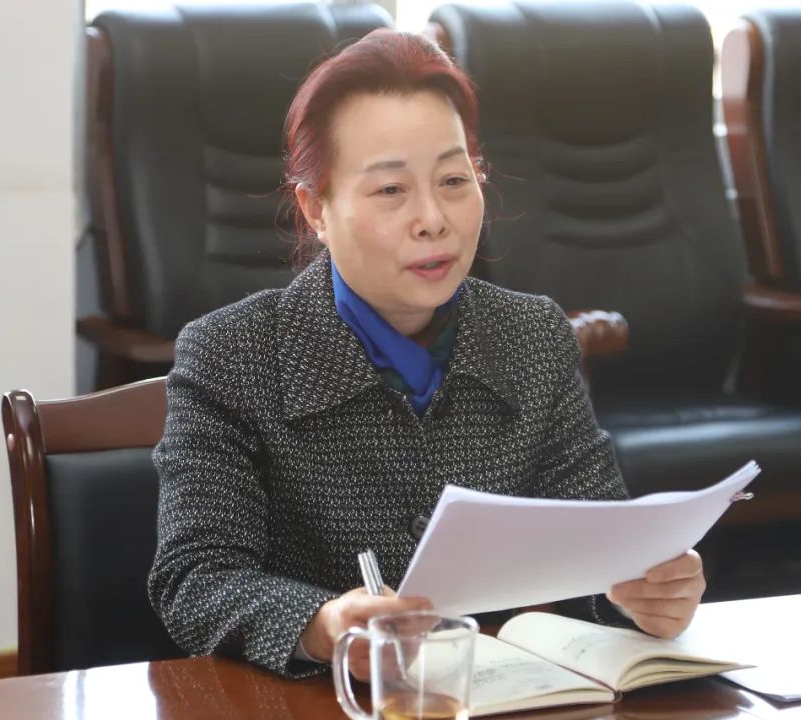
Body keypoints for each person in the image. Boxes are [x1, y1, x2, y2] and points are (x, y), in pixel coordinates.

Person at [149, 29, 705, 681]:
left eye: (453, 180)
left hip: (504, 694)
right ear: (316, 208)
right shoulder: (230, 353)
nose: (433, 219)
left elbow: (598, 544)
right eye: (391, 190)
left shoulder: (534, 335)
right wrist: (321, 626)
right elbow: (196, 579)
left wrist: (642, 593)